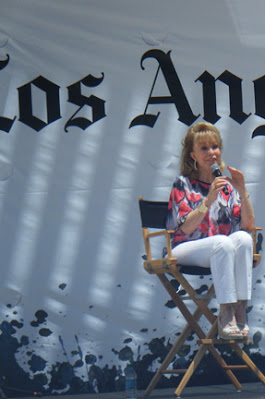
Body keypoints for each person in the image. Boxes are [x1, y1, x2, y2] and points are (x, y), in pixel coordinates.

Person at [166, 121, 255, 339]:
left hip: (219, 250)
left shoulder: (226, 186)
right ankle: (225, 312)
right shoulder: (183, 184)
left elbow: (247, 225)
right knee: (222, 242)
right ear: (193, 155)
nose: (212, 153)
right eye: (204, 148)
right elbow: (186, 228)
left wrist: (241, 190)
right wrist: (208, 200)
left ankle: (240, 308)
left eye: (215, 147)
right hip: (183, 248)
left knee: (243, 238)